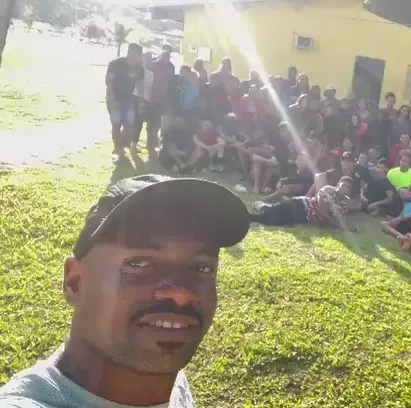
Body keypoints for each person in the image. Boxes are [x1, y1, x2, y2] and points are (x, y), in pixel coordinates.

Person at [0, 175, 250, 407]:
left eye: (201, 268)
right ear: (75, 281)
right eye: (138, 264)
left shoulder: (167, 378)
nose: (181, 294)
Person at [252, 178, 355, 229]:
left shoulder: (344, 202)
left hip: (304, 217)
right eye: (344, 185)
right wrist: (339, 225)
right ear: (338, 184)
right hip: (300, 205)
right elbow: (321, 210)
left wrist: (342, 224)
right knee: (271, 214)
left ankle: (261, 209)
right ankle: (260, 206)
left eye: (348, 187)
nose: (345, 188)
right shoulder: (328, 189)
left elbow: (341, 219)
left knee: (275, 220)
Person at [106, 43, 145, 159]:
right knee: (116, 125)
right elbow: (108, 80)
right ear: (130, 53)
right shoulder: (116, 64)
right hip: (115, 99)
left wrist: (141, 101)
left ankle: (121, 146)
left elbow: (140, 85)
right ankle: (118, 150)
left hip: (129, 100)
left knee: (129, 127)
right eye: (138, 54)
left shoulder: (139, 68)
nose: (139, 57)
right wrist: (111, 96)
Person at [132, 51, 154, 152]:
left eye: (150, 59)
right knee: (133, 120)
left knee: (139, 122)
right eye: (146, 58)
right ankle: (127, 143)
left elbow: (150, 88)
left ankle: (134, 143)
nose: (148, 61)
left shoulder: (151, 74)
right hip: (136, 97)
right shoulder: (138, 70)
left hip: (145, 99)